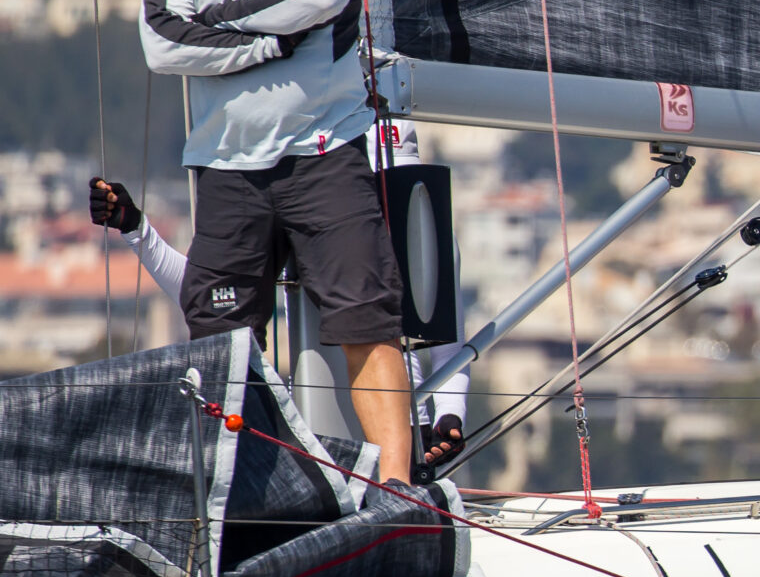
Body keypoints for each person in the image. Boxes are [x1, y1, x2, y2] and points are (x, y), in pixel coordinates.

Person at [138, 0, 413, 482]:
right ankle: (243, 492)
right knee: (222, 345)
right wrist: (270, 44)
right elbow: (163, 44)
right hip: (227, 168)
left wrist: (218, 23)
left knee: (366, 321)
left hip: (328, 154)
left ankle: (401, 491)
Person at [87, 172, 472, 474]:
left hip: (406, 452)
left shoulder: (413, 210)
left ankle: (395, 486)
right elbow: (213, 302)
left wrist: (449, 417)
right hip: (298, 453)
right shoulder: (292, 189)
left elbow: (445, 339)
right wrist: (137, 228)